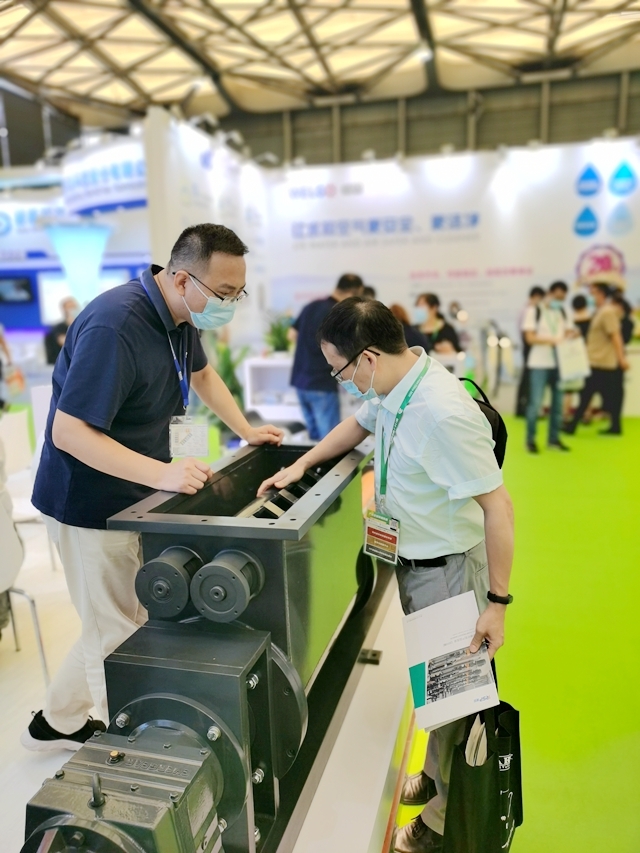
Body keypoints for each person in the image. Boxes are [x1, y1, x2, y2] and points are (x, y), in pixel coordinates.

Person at [258, 298, 514, 853]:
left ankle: (440, 823)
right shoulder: (397, 386)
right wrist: (301, 464)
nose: (342, 381)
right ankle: (437, 775)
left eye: (341, 370)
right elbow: (357, 424)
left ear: (369, 357)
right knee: (436, 688)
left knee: (455, 699)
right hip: (418, 566)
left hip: (448, 574)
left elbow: (499, 508)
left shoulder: (440, 411)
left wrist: (497, 603)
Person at [24, 223, 284, 752]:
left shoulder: (180, 315)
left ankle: (56, 722)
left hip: (138, 496)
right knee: (117, 633)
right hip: (89, 503)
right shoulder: (115, 325)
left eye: (238, 294)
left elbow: (202, 377)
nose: (230, 306)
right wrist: (162, 473)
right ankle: (130, 753)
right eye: (224, 293)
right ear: (182, 278)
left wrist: (246, 430)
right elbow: (69, 432)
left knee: (119, 618)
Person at [289, 273, 364, 440]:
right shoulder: (339, 314)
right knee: (330, 441)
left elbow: (291, 334)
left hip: (300, 382)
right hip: (321, 383)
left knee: (314, 441)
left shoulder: (311, 306)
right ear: (353, 292)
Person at [565, 283, 629, 437]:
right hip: (596, 360)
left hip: (603, 362)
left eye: (593, 293)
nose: (590, 296)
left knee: (590, 394)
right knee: (593, 394)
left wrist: (621, 359)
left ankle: (574, 425)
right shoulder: (599, 312)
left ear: (601, 294)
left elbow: (616, 336)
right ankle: (613, 426)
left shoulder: (607, 312)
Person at [521, 281, 572, 453]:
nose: (559, 300)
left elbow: (568, 332)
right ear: (549, 294)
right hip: (539, 363)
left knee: (558, 404)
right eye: (557, 296)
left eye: (562, 298)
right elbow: (529, 337)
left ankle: (554, 439)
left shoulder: (563, 312)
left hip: (560, 363)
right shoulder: (534, 311)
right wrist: (552, 340)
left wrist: (570, 337)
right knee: (535, 403)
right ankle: (530, 440)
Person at [515, 286, 545, 417]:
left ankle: (524, 407)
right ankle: (522, 408)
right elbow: (525, 333)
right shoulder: (528, 310)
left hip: (532, 347)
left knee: (528, 379)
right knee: (527, 379)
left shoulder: (533, 310)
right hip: (529, 347)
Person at [44, 297, 80, 365]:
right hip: (61, 364)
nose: (73, 309)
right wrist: (72, 323)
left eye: (74, 307)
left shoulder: (81, 326)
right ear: (64, 310)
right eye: (70, 307)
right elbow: (67, 343)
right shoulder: (59, 327)